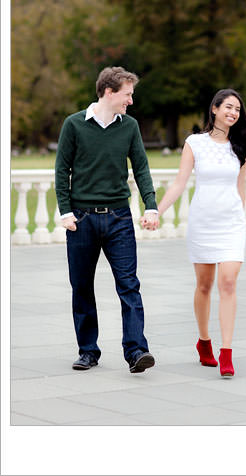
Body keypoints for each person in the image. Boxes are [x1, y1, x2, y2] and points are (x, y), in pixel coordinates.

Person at [55, 66, 159, 374]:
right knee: (82, 286)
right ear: (109, 92)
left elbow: (141, 168)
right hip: (82, 219)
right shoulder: (74, 125)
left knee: (129, 285)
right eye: (127, 95)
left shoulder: (129, 126)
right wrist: (65, 211)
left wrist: (150, 206)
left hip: (119, 218)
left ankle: (137, 350)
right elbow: (62, 170)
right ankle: (88, 351)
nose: (130, 101)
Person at [156, 88, 246, 378]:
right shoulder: (195, 143)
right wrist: (157, 212)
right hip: (203, 222)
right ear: (214, 109)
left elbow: (241, 188)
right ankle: (204, 342)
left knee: (228, 282)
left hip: (231, 224)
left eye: (237, 109)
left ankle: (227, 352)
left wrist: (242, 217)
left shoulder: (241, 146)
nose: (233, 113)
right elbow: (179, 183)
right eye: (228, 107)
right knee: (204, 285)